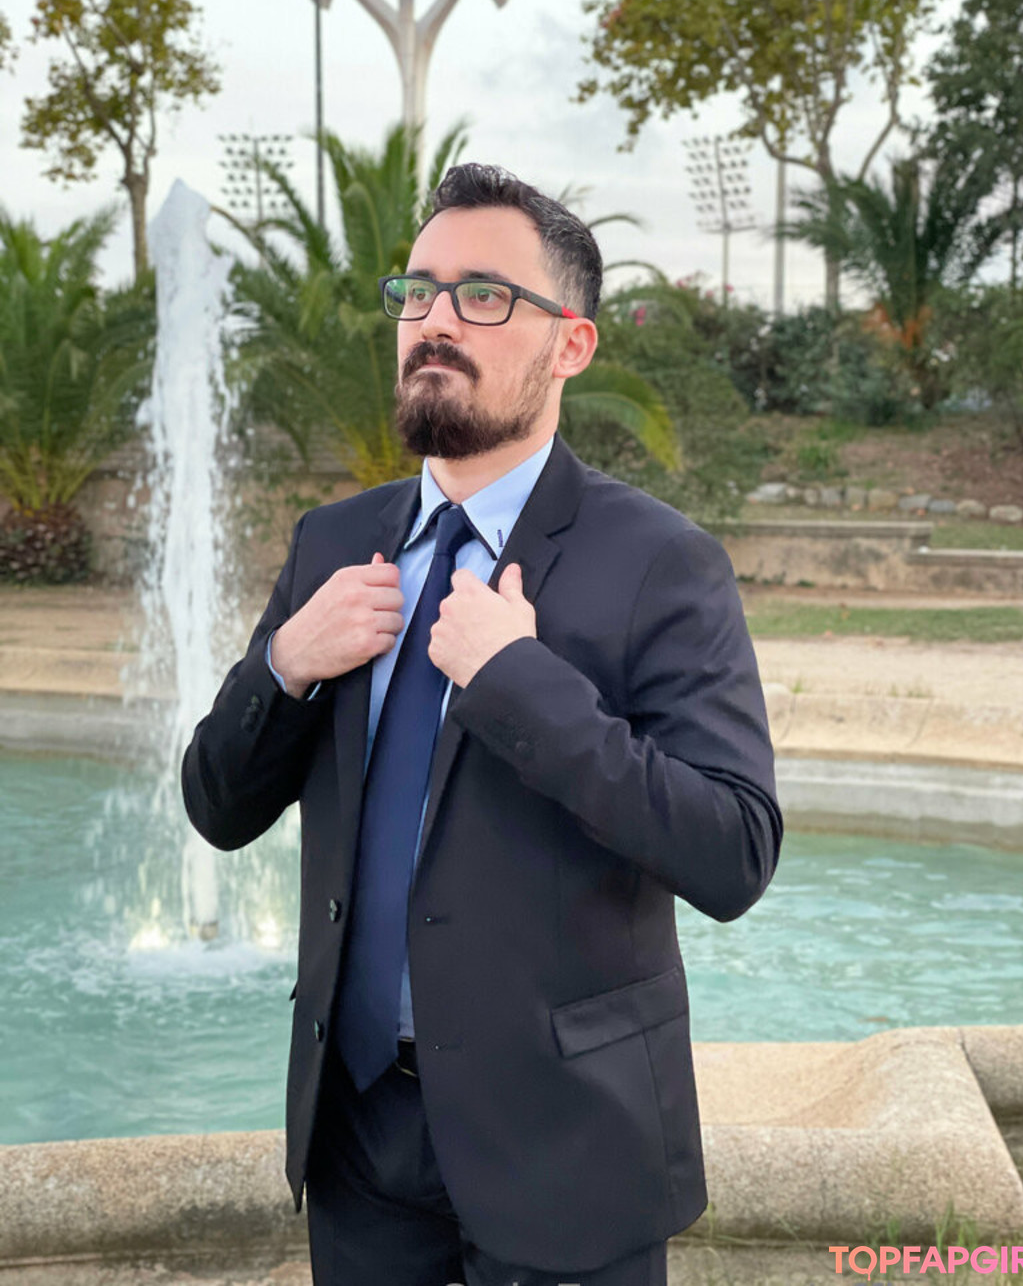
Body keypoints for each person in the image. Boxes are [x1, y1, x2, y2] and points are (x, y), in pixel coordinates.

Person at [181, 163, 783, 1286]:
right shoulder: (332, 544)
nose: (436, 321)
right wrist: (286, 663)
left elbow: (734, 851)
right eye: (417, 292)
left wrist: (520, 684)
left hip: (569, 1147)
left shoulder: (662, 562)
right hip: (359, 1140)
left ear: (572, 345)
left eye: (485, 296)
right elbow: (216, 806)